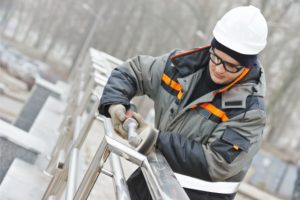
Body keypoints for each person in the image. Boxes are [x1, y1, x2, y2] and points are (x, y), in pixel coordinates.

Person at [99, 5, 268, 200]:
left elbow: (218, 163)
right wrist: (115, 104)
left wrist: (156, 139)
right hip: (149, 180)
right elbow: (132, 72)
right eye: (216, 58)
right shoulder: (180, 67)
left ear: (248, 66)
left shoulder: (249, 111)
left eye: (231, 66)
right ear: (211, 47)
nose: (219, 69)